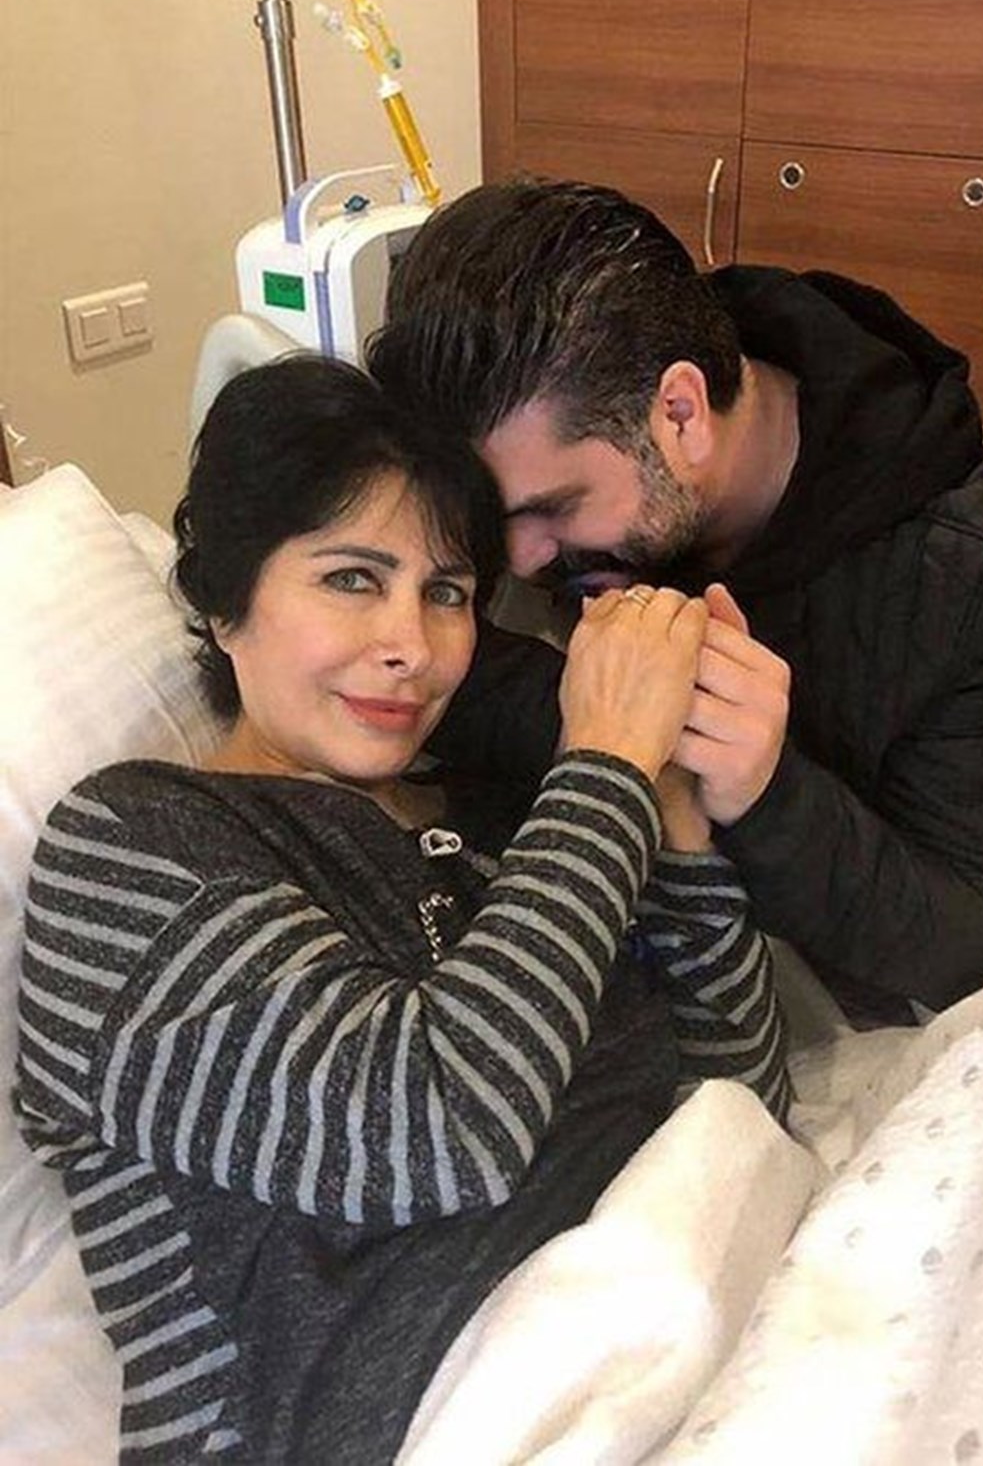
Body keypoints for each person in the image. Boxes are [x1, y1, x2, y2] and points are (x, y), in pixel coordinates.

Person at [14, 356, 790, 1463]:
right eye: (350, 578)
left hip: (700, 1315)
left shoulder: (493, 829)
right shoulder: (131, 845)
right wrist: (608, 762)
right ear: (227, 603)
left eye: (446, 592)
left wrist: (671, 814)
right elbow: (437, 1130)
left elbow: (740, 1104)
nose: (412, 648)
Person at [366, 178, 983, 1028]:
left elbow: (982, 938)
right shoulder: (566, 414)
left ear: (681, 413)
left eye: (554, 508)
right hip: (701, 920)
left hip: (941, 927)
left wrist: (766, 789)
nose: (518, 560)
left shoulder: (971, 566)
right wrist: (623, 719)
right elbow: (420, 659)